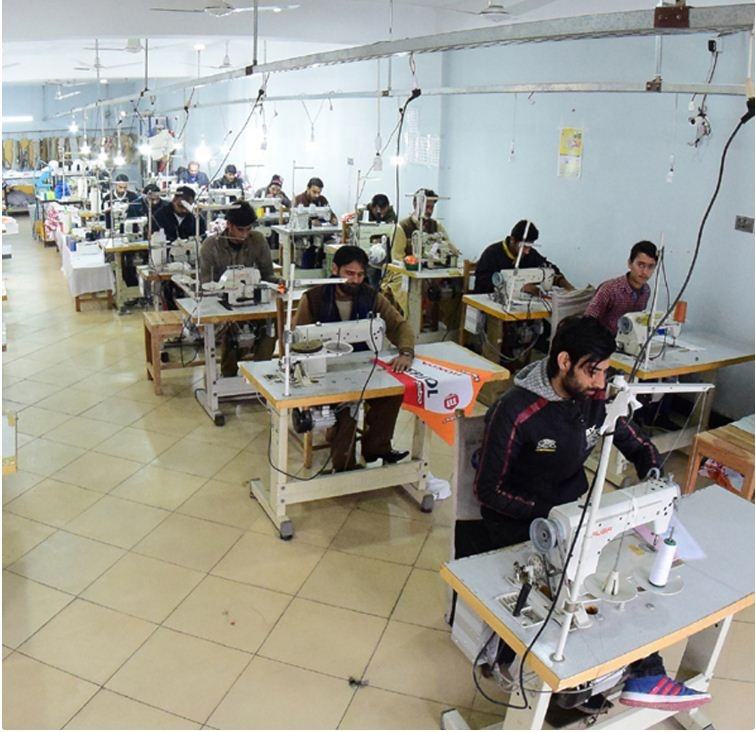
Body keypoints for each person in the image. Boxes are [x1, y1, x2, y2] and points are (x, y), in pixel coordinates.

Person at [470, 315, 711, 712]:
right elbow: (488, 490)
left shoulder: (595, 401)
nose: (601, 383)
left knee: (622, 577)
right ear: (564, 361)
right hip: (520, 524)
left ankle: (629, 674)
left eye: (605, 372)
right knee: (580, 593)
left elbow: (635, 442)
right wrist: (551, 518)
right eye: (593, 371)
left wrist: (653, 473)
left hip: (575, 516)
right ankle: (613, 676)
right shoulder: (514, 411)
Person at [294, 245, 415, 471]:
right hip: (325, 371)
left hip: (360, 366)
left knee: (392, 393)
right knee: (346, 405)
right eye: (349, 273)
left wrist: (406, 352)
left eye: (360, 275)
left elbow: (399, 326)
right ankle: (344, 466)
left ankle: (376, 448)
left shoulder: (371, 297)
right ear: (335, 269)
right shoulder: (313, 299)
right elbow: (297, 338)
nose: (356, 280)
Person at [199, 201, 278, 375]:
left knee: (273, 323)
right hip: (222, 304)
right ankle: (229, 375)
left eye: (248, 229)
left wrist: (279, 283)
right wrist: (227, 291)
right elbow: (206, 285)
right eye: (240, 230)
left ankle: (260, 372)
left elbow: (267, 275)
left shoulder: (257, 240)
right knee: (231, 329)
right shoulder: (211, 246)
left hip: (251, 301)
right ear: (229, 225)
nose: (245, 234)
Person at [382, 188, 460, 324]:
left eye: (432, 207)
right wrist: (414, 265)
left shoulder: (436, 226)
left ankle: (449, 326)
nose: (429, 211)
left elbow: (448, 246)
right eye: (426, 207)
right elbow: (397, 258)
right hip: (403, 272)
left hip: (431, 271)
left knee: (455, 289)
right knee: (411, 291)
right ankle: (412, 325)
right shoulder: (401, 228)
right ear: (415, 205)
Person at [474, 219, 574, 295]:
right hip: (489, 305)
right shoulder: (492, 253)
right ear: (512, 240)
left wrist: (567, 286)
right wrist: (520, 287)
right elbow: (482, 283)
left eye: (530, 247)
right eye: (524, 247)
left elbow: (550, 269)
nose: (527, 251)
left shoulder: (530, 254)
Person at [585, 240, 658, 335]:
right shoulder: (609, 289)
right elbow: (588, 321)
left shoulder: (646, 290)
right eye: (641, 265)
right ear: (629, 263)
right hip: (603, 340)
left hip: (629, 340)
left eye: (651, 267)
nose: (645, 272)